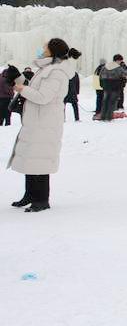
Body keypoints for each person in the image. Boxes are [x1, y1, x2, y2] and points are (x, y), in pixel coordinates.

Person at [7, 38, 73, 212]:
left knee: (40, 160)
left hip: (45, 122)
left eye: (45, 47)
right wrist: (18, 78)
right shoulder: (46, 69)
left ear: (53, 51)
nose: (42, 49)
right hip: (36, 121)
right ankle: (30, 195)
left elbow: (43, 97)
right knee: (31, 158)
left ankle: (42, 200)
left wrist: (22, 89)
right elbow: (35, 89)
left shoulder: (56, 72)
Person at [95, 55, 127, 120]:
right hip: (115, 86)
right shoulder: (118, 68)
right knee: (112, 101)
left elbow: (100, 75)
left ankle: (103, 116)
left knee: (105, 101)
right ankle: (109, 117)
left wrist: (102, 85)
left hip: (106, 85)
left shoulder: (105, 66)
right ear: (118, 60)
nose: (121, 62)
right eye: (120, 61)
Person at [63, 48, 82, 121]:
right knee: (74, 104)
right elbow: (77, 82)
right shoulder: (70, 62)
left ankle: (62, 118)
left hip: (66, 87)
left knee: (63, 104)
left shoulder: (65, 61)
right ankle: (77, 118)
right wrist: (77, 91)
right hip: (71, 87)